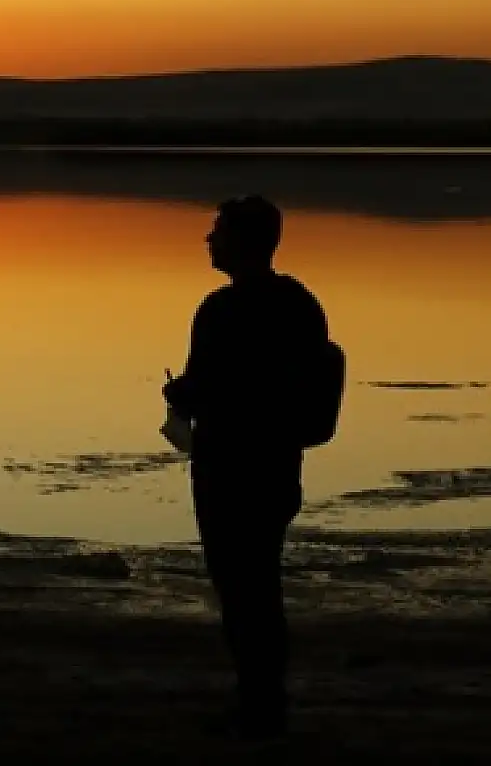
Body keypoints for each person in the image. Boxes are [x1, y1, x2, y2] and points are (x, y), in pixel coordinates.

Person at [162, 195, 330, 740]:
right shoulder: (300, 304)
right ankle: (265, 698)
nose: (209, 240)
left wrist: (177, 395)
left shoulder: (221, 311)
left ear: (242, 241)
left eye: (218, 230)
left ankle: (258, 703)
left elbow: (209, 387)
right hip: (277, 465)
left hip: (229, 466)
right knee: (261, 582)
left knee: (240, 586)